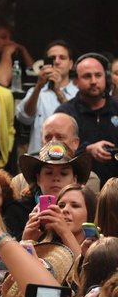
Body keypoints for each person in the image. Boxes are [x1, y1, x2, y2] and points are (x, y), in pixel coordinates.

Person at [4, 140, 91, 239]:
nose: (56, 178)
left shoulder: (87, 208)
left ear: (74, 180)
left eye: (64, 173)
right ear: (38, 179)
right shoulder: (17, 211)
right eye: (49, 173)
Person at [55, 52, 118, 184]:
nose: (94, 81)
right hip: (78, 189)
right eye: (87, 76)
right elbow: (56, 152)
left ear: (106, 78)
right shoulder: (65, 113)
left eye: (98, 75)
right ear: (76, 81)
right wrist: (87, 150)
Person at [11, 112, 101, 195]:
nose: (53, 143)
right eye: (48, 138)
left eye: (60, 137)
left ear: (75, 143)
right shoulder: (20, 182)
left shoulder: (89, 180)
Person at [16, 40, 78, 154]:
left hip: (69, 157)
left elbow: (79, 122)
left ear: (71, 64)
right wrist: (39, 86)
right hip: (38, 157)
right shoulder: (36, 91)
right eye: (52, 58)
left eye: (62, 58)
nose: (57, 62)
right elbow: (24, 118)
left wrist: (58, 91)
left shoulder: (78, 93)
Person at [0, 20, 34, 88]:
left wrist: (23, 51)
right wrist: (7, 53)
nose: (9, 42)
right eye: (3, 37)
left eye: (10, 38)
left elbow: (34, 73)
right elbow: (3, 83)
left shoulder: (12, 60)